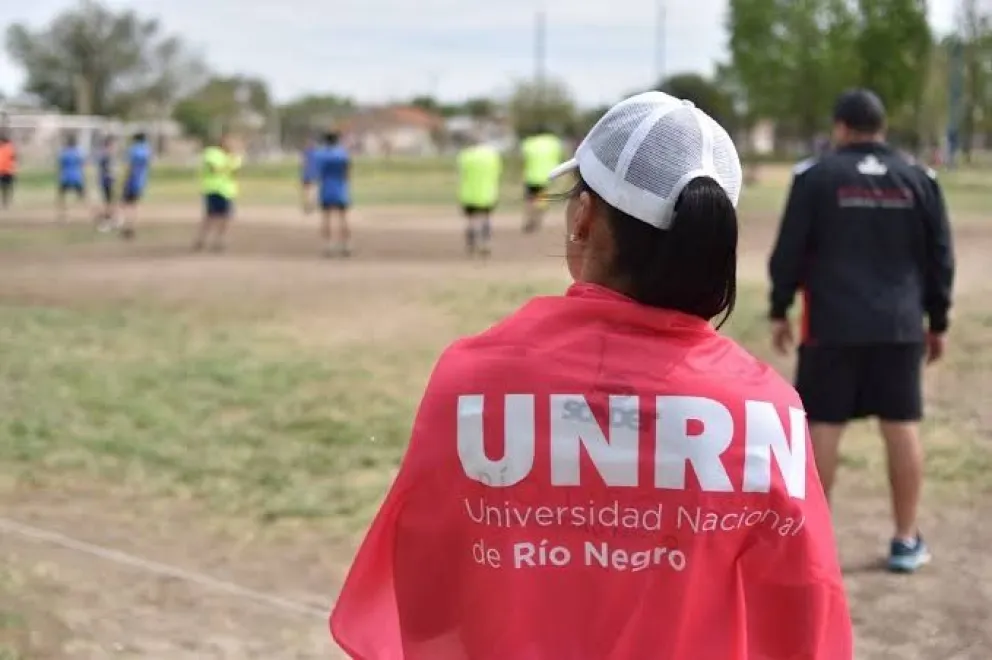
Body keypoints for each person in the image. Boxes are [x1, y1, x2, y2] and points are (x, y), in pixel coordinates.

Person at [331, 91, 852, 660]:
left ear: (583, 218)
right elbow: (808, 619)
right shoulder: (767, 414)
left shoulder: (474, 383)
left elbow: (426, 589)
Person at [768, 89, 955, 574]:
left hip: (830, 323)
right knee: (901, 426)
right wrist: (938, 321)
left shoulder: (814, 177)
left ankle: (815, 545)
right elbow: (939, 256)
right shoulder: (919, 177)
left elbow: (790, 248)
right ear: (882, 127)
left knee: (824, 426)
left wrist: (778, 307)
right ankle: (905, 538)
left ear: (840, 128)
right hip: (899, 325)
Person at [194, 133, 242, 253]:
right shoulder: (212, 153)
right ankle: (201, 240)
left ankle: (220, 241)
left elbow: (235, 172)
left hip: (227, 190)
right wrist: (229, 164)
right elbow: (215, 169)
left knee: (225, 217)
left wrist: (231, 160)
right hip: (213, 189)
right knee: (210, 216)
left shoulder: (233, 156)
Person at [456, 135, 503, 257]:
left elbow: (462, 173)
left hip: (469, 193)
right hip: (487, 193)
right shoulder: (492, 157)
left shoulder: (465, 156)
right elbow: (497, 172)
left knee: (471, 220)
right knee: (486, 217)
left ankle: (471, 242)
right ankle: (486, 242)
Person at [314, 131, 352, 258]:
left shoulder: (320, 155)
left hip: (326, 188)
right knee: (343, 218)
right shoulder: (343, 154)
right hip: (341, 189)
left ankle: (328, 246)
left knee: (326, 217)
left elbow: (317, 173)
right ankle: (345, 245)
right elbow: (347, 172)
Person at [520, 126, 564, 233]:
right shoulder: (553, 142)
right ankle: (538, 221)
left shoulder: (529, 143)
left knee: (530, 200)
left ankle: (530, 220)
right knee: (542, 201)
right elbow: (558, 157)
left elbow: (524, 159)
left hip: (531, 176)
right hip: (546, 177)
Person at [118, 132, 152, 240]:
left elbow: (129, 165)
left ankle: (125, 226)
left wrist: (124, 179)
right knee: (134, 205)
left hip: (131, 180)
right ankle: (132, 226)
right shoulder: (147, 150)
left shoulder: (133, 150)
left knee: (124, 204)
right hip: (141, 181)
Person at [57, 134, 87, 221]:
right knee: (83, 195)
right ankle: (87, 213)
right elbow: (82, 164)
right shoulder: (78, 152)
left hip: (65, 176)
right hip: (77, 176)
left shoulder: (64, 153)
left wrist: (59, 175)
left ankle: (63, 214)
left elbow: (60, 165)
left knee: (62, 196)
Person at [94, 135, 118, 231]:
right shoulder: (106, 155)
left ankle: (110, 218)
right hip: (106, 181)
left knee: (110, 200)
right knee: (108, 201)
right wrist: (112, 176)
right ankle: (107, 220)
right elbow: (107, 170)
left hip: (107, 181)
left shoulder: (107, 155)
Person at [300, 137, 319, 214]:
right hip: (314, 175)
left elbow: (302, 163)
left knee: (306, 191)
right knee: (313, 190)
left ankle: (307, 205)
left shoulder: (305, 152)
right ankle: (311, 205)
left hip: (306, 174)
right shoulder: (317, 153)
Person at [0, 132, 16, 211]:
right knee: (4, 188)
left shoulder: (9, 148)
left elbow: (13, 158)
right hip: (3, 171)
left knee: (8, 187)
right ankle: (5, 202)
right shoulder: (2, 148)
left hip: (8, 171)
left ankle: (8, 202)